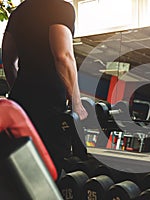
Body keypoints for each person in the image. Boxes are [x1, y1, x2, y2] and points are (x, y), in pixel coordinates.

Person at [2, 0, 88, 177]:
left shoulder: (19, 11)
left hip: (20, 104)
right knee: (49, 174)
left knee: (20, 174)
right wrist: (77, 104)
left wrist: (20, 97)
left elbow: (8, 61)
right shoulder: (60, 7)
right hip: (50, 108)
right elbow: (63, 56)